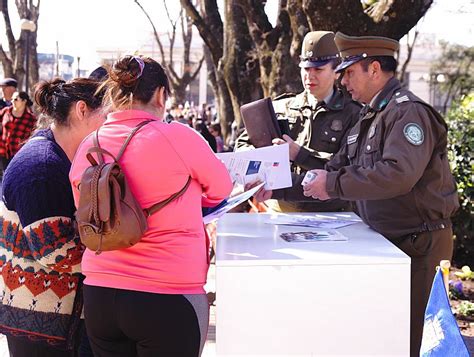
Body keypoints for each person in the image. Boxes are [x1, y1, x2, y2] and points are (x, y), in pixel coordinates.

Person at [301, 32, 459, 356]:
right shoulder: (370, 115)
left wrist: (331, 183)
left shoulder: (408, 113)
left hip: (419, 246)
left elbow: (396, 175)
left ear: (374, 69)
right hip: (389, 245)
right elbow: (339, 166)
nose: (343, 81)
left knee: (415, 341)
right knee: (385, 338)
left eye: (349, 72)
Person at [69, 55, 232, 356]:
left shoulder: (89, 145)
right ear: (160, 95)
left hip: (101, 293)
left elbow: (83, 203)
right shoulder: (179, 138)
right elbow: (222, 188)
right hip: (168, 294)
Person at [0, 77, 105, 356]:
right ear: (82, 110)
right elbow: (56, 252)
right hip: (40, 323)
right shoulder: (41, 166)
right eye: (105, 115)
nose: (109, 124)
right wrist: (124, 250)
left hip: (49, 318)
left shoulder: (57, 157)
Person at [237, 31, 361, 212]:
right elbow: (243, 142)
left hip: (329, 215)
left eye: (318, 69)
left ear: (336, 72)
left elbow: (347, 170)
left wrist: (299, 154)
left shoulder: (353, 114)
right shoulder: (280, 107)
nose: (310, 76)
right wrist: (258, 160)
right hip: (277, 211)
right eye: (306, 69)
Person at [0, 91, 37, 175]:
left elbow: (32, 137)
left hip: (18, 154)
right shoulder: (6, 111)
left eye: (16, 99)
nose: (12, 101)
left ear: (24, 101)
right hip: (3, 152)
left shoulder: (31, 118)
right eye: (12, 99)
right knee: (5, 175)